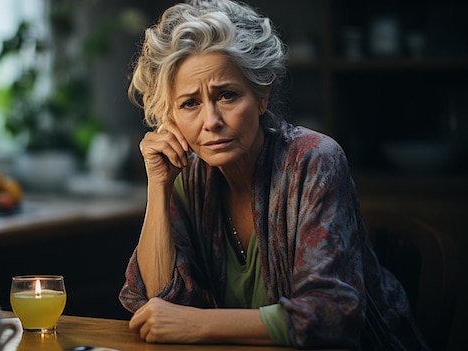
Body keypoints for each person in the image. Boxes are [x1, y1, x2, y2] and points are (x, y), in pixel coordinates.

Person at [118, 0, 429, 349]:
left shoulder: (313, 161)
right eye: (190, 103)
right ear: (171, 116)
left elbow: (330, 316)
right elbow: (159, 304)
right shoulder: (188, 175)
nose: (211, 121)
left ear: (261, 95)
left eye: (228, 95)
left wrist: (198, 324)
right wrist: (159, 186)